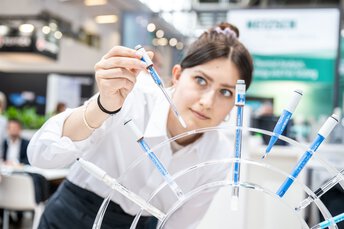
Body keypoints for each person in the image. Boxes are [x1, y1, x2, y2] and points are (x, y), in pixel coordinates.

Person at [28, 22, 253, 229]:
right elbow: (41, 155)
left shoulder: (219, 155)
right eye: (200, 80)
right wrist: (102, 106)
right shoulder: (131, 98)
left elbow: (179, 224)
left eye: (226, 92)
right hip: (72, 217)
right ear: (177, 75)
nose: (207, 102)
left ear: (237, 102)